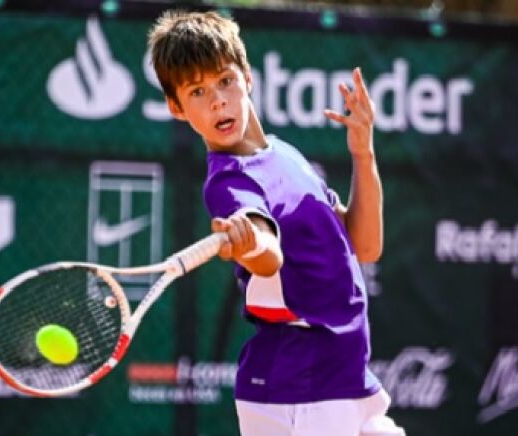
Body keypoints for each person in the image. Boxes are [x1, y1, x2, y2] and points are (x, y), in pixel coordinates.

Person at [148, 10, 405, 436]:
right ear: (176, 108)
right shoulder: (229, 182)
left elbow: (364, 244)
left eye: (224, 80)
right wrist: (249, 243)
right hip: (300, 387)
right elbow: (268, 255)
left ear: (247, 77)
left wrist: (363, 152)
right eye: (197, 91)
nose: (217, 100)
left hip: (341, 378)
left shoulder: (285, 154)